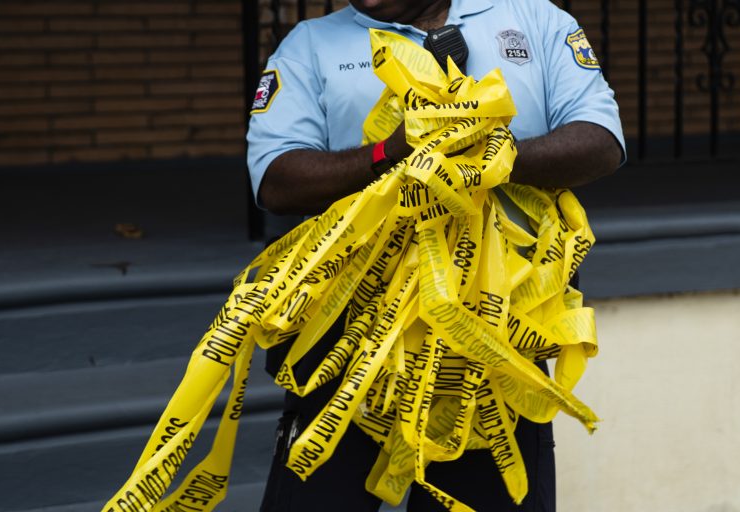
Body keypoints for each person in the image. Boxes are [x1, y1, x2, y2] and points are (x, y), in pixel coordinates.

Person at [246, 1, 625, 510]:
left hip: (491, 342)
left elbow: (600, 141)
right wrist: (390, 153)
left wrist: (486, 157)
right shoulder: (309, 45)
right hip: (348, 339)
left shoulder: (538, 20)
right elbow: (276, 179)